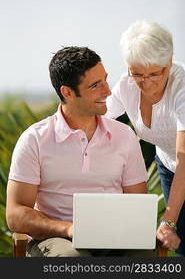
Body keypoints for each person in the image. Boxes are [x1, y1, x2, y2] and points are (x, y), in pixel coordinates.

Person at [6, 46, 151, 257]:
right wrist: (68, 228)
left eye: (105, 80)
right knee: (73, 260)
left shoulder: (125, 136)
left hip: (115, 238)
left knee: (143, 260)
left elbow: (138, 206)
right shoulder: (34, 140)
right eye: (95, 85)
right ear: (67, 92)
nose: (108, 91)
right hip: (55, 240)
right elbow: (15, 214)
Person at [105, 19, 185, 256]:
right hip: (169, 165)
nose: (146, 83)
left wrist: (168, 221)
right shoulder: (126, 86)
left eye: (155, 73)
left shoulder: (182, 89)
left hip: (182, 161)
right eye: (137, 73)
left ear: (169, 62)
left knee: (171, 229)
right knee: (180, 246)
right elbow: (96, 121)